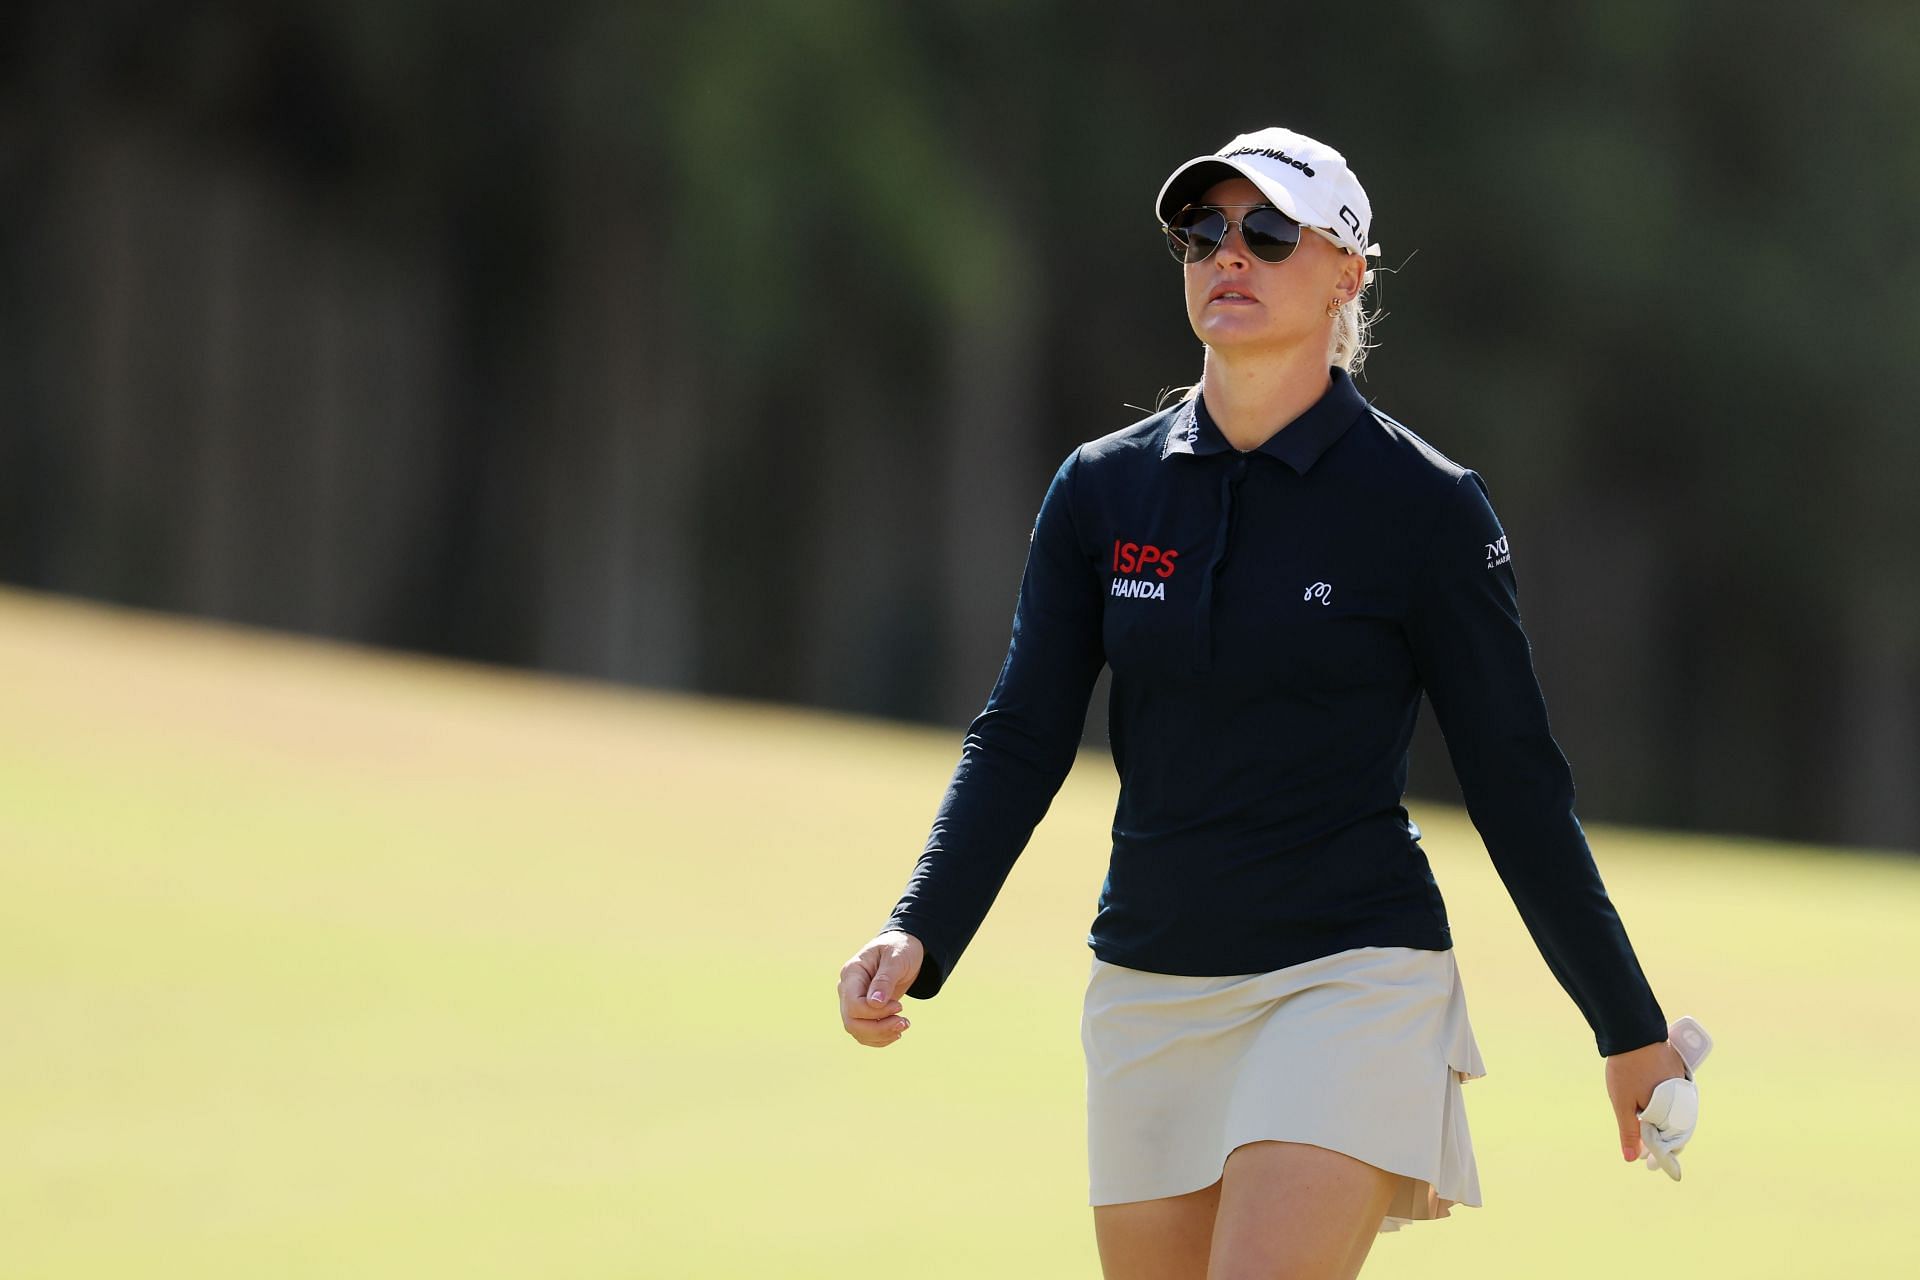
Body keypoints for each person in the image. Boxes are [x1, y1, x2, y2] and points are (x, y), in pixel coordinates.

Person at [837, 125, 1692, 1279]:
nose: (1225, 254)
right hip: (1148, 982)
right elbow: (1023, 732)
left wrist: (1628, 1025)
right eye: (1203, 234)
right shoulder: (1102, 489)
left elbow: (1515, 781)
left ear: (1348, 270)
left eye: (1267, 232)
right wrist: (919, 922)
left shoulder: (1426, 505)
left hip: (1350, 979)